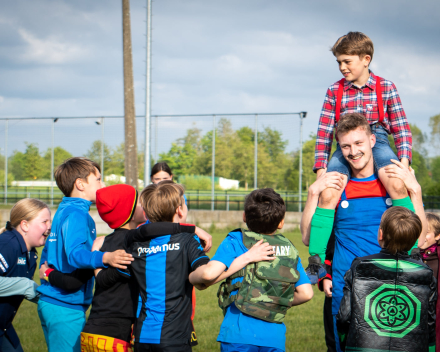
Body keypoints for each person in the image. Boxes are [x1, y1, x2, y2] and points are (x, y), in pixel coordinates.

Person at [301, 114, 426, 352]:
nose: (353, 152)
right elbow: (308, 238)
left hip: (392, 288)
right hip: (346, 289)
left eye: (358, 143)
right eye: (346, 146)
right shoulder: (335, 189)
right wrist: (312, 194)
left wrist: (416, 193)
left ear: (372, 140)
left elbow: (418, 240)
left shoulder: (394, 185)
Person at [309, 31, 414, 269]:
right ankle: (316, 257)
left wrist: (404, 162)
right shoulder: (334, 91)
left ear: (366, 59)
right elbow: (325, 131)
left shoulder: (385, 87)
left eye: (347, 61)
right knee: (328, 191)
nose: (342, 67)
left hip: (378, 140)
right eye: (339, 62)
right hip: (345, 144)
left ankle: (413, 247)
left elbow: (401, 128)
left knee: (397, 183)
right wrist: (320, 169)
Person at [190, 188, 314, 352]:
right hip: (274, 337)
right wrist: (271, 301)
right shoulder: (289, 249)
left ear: (244, 217)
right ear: (281, 222)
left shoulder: (236, 240)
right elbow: (306, 293)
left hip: (238, 333)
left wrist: (191, 276)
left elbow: (207, 274)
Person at [37, 157, 133, 352]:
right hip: (65, 306)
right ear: (80, 184)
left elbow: (50, 253)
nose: (103, 184)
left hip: (55, 303)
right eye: (98, 180)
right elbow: (74, 255)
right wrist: (104, 257)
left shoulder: (64, 210)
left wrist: (47, 273)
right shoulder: (78, 215)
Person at [336, 206, 436, 352]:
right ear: (415, 239)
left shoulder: (360, 266)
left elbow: (344, 315)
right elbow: (430, 322)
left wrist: (345, 341)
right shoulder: (425, 273)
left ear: (381, 234)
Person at [0, 198, 51, 352]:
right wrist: (25, 285)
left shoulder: (31, 255)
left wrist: (54, 298)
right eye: (44, 222)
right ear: (25, 225)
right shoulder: (7, 244)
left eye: (50, 222)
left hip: (4, 326)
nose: (49, 227)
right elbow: (25, 287)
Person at [418, 212, 440, 352]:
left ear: (438, 236)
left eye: (426, 232)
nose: (421, 236)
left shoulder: (437, 258)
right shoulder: (412, 255)